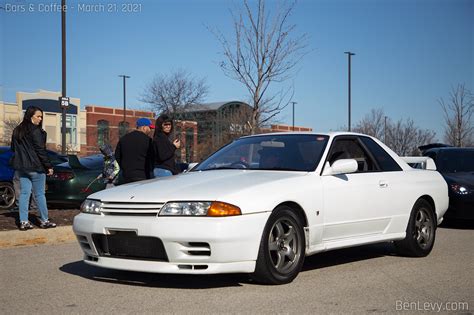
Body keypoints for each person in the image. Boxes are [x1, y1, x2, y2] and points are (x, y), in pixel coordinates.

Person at [10, 106, 56, 231]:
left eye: (41, 117)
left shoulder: (17, 130)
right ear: (30, 116)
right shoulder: (36, 131)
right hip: (36, 167)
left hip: (21, 168)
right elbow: (40, 150)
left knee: (25, 193)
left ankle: (24, 221)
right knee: (40, 194)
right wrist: (49, 166)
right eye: (38, 116)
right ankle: (44, 221)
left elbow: (13, 148)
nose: (40, 119)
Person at [115, 118, 155, 183]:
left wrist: (124, 167)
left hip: (126, 175)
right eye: (149, 128)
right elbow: (152, 157)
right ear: (144, 127)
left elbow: (117, 156)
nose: (150, 130)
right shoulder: (148, 140)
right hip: (143, 175)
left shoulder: (124, 139)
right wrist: (150, 169)